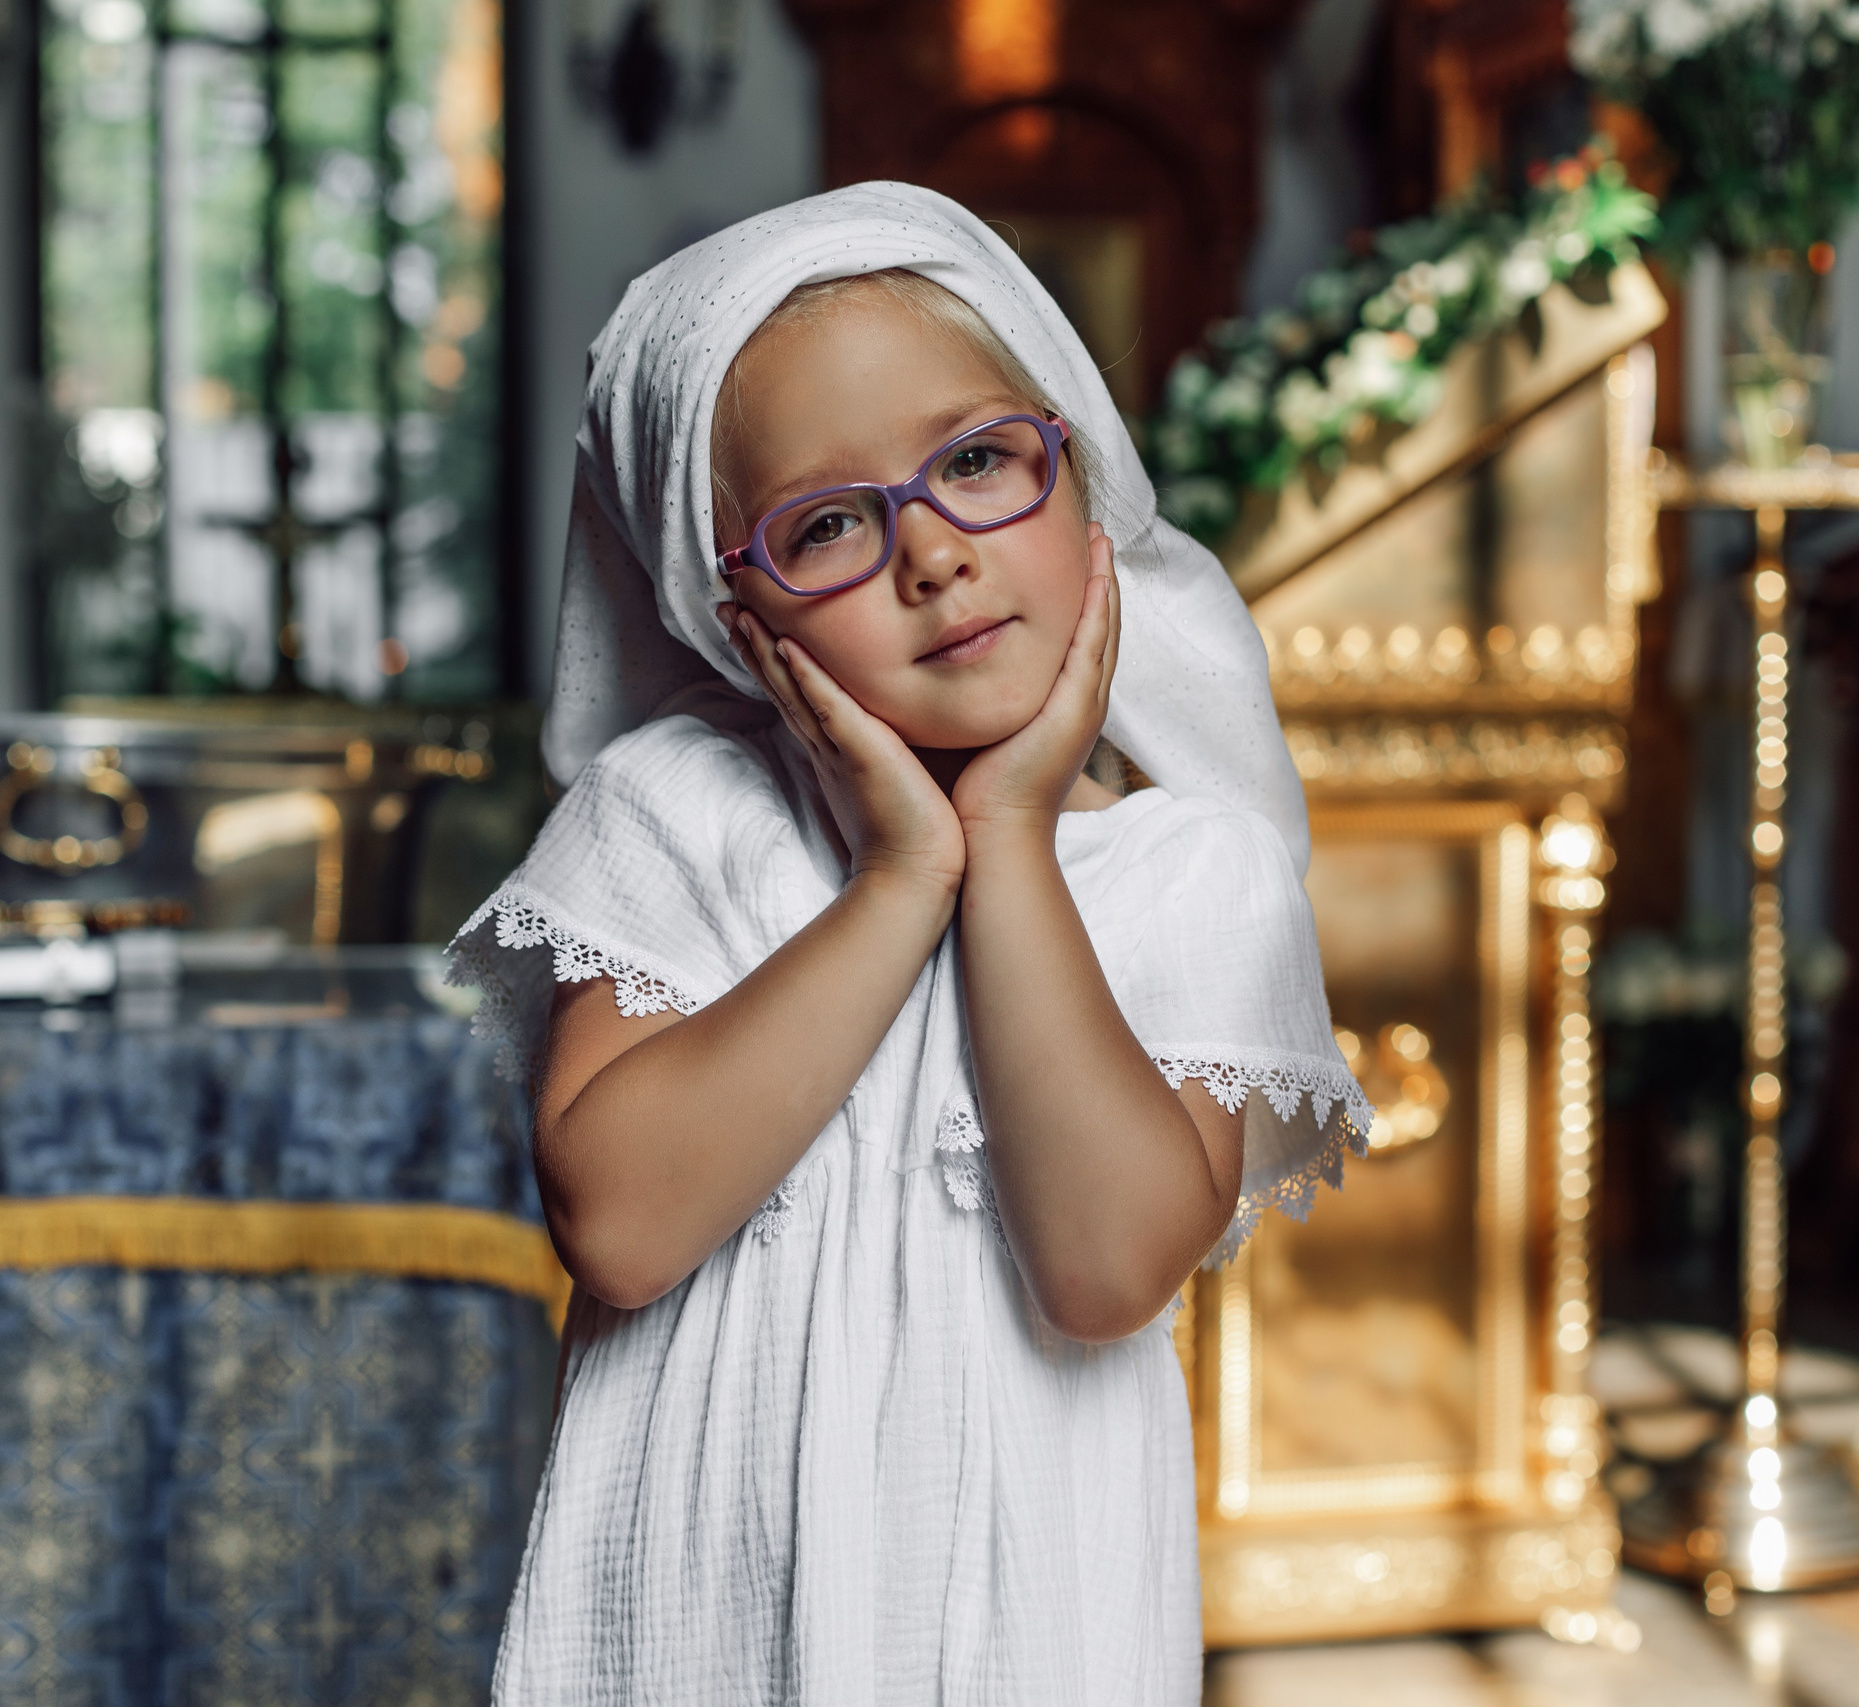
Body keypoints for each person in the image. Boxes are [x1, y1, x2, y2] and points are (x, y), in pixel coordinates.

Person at [449, 182, 1368, 1706]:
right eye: (827, 525)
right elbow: (618, 1226)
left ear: (1080, 479)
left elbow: (1105, 1272)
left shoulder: (1194, 875)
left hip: (1024, 1642)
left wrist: (1007, 842)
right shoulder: (674, 815)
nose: (932, 554)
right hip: (693, 1637)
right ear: (732, 614)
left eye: (980, 461)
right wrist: (898, 881)